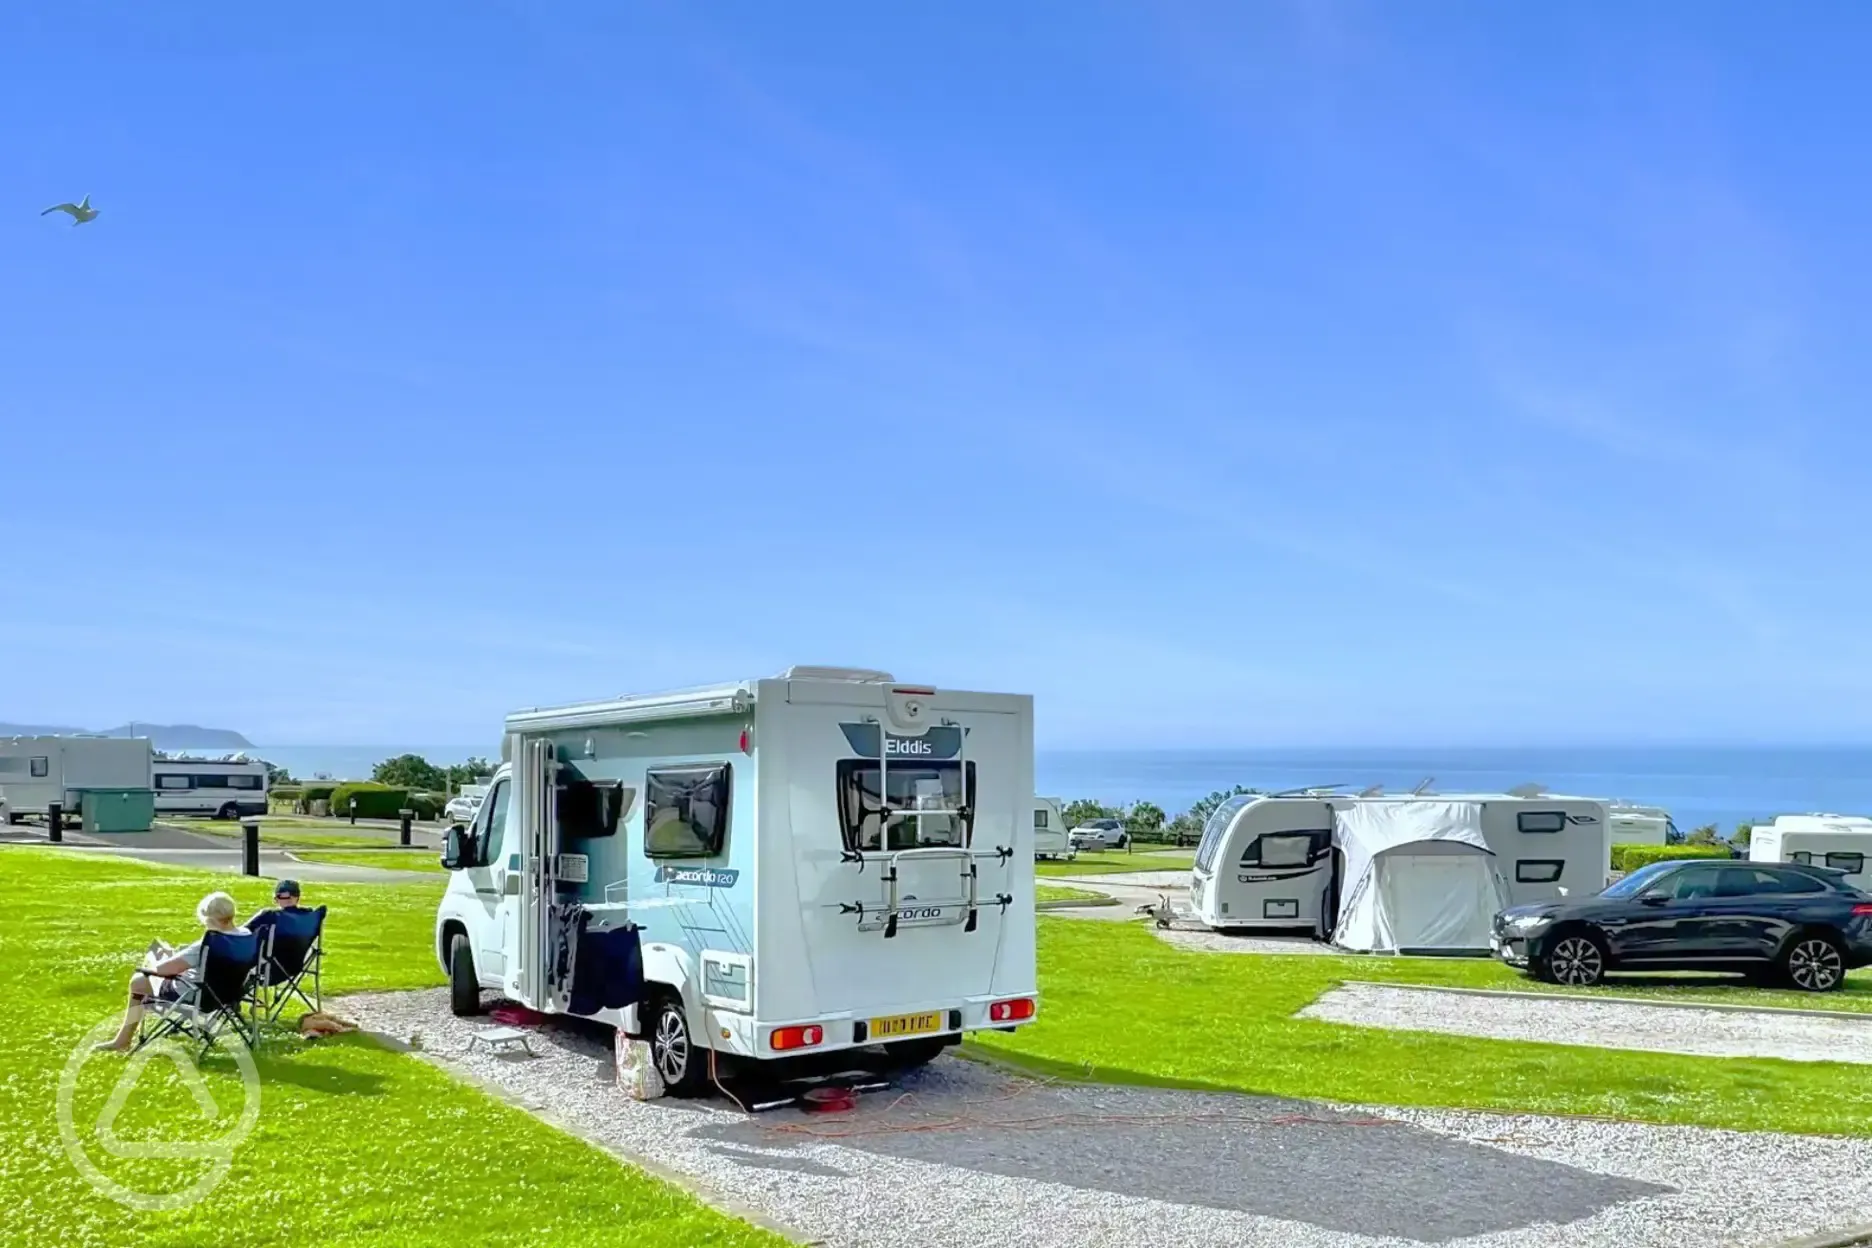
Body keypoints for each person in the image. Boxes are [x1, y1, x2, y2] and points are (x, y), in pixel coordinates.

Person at [95, 891, 251, 1052]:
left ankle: (122, 1041)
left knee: (139, 980)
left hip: (194, 994)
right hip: (228, 994)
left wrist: (158, 960)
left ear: (208, 918)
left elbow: (163, 970)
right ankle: (140, 1019)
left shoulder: (207, 944)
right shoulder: (246, 936)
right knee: (157, 970)